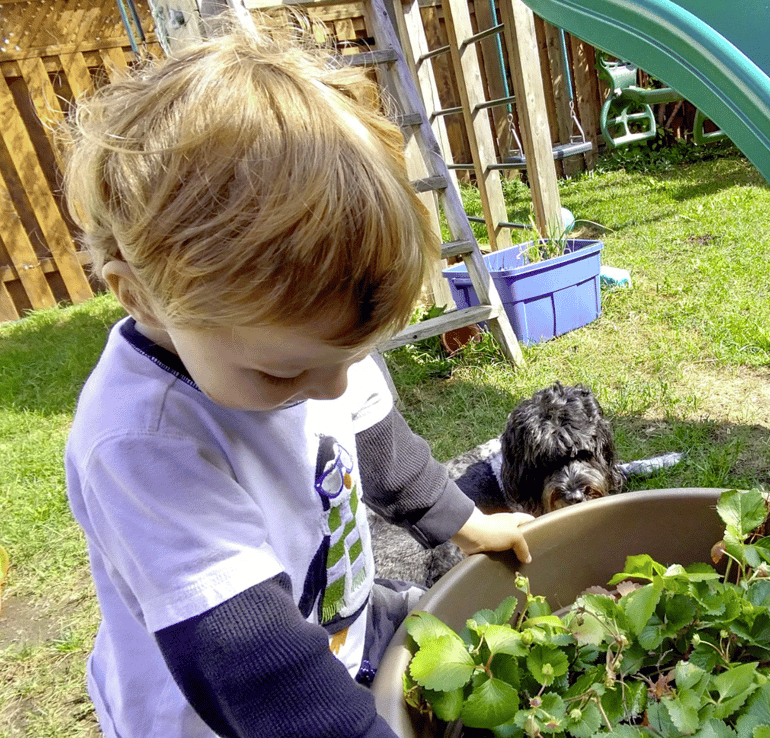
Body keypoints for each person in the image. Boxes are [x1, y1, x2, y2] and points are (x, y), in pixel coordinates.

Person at [61, 19, 532, 738]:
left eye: (354, 356)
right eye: (288, 371)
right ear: (142, 297)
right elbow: (255, 664)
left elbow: (381, 448)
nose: (337, 389)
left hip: (330, 633)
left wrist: (470, 525)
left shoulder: (309, 345)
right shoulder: (142, 445)